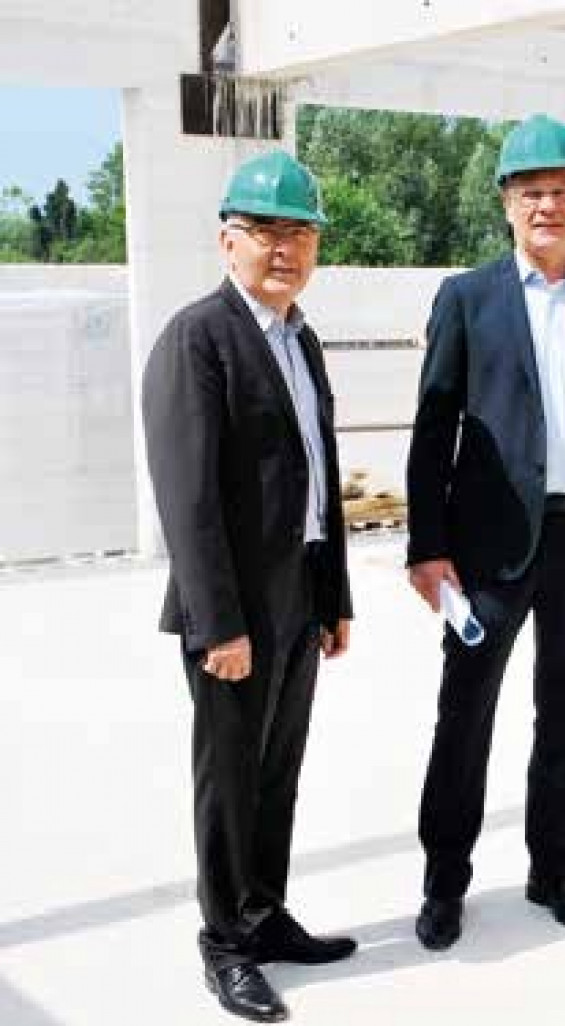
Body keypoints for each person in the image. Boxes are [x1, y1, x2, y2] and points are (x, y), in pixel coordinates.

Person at [406, 114, 565, 950]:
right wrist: (427, 547)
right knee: (464, 714)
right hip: (488, 549)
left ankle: (557, 874)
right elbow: (432, 427)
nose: (546, 204)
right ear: (508, 205)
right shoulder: (468, 300)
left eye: (560, 190)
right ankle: (445, 884)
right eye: (529, 192)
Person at [142, 150, 356, 1022]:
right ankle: (225, 942)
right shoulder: (200, 338)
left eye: (300, 232)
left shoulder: (300, 339)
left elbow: (320, 472)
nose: (285, 248)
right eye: (266, 231)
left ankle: (266, 914)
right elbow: (186, 497)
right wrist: (217, 624)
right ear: (227, 239)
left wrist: (335, 595)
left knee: (279, 772)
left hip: (298, 597)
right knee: (229, 779)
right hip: (232, 612)